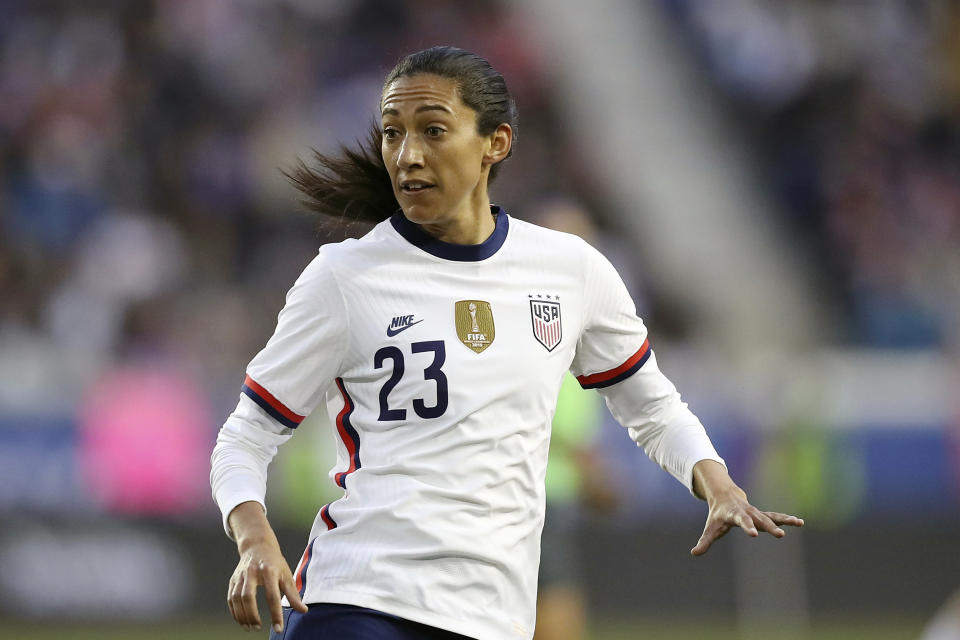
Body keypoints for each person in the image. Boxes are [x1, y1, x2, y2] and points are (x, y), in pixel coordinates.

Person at [210, 46, 804, 640]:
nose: (407, 154)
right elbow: (246, 433)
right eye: (392, 134)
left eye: (433, 131)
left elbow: (651, 406)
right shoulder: (344, 277)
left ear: (496, 142)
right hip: (359, 600)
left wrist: (717, 484)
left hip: (496, 618)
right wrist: (255, 536)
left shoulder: (569, 269)